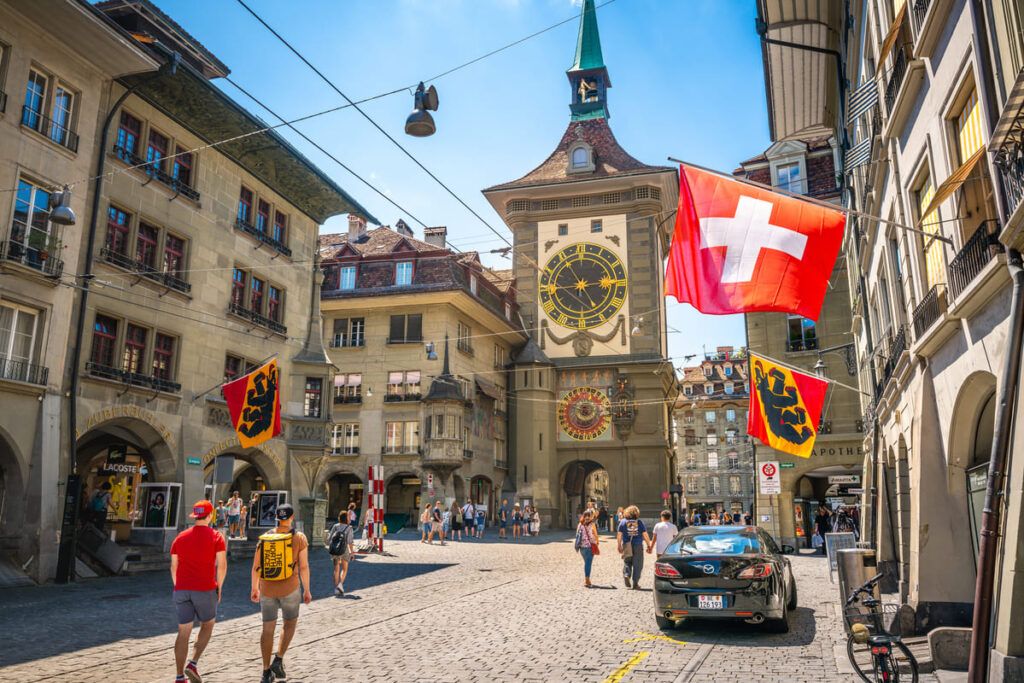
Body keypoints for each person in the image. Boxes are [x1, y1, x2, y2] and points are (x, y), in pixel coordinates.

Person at [251, 503, 310, 683]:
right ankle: (279, 657)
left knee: (267, 629)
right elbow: (304, 567)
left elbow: (256, 567)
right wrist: (307, 589)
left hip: (267, 588)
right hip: (290, 588)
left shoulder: (266, 537)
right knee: (289, 624)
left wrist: (255, 588)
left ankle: (266, 670)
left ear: (277, 517)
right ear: (291, 518)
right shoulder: (299, 537)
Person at [170, 500, 226, 683]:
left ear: (195, 516)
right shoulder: (216, 536)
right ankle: (192, 663)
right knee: (208, 624)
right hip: (204, 588)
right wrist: (219, 586)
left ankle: (179, 677)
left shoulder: (180, 537)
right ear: (210, 516)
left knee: (183, 631)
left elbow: (173, 566)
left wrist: (178, 585)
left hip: (182, 590)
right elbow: (222, 566)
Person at [617, 505, 653, 589]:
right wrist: (649, 545)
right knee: (638, 564)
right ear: (636, 513)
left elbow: (619, 534)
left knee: (627, 561)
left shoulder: (622, 522)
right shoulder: (639, 522)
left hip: (626, 544)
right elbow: (645, 534)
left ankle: (626, 574)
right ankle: (635, 583)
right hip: (638, 545)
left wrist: (619, 545)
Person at [325, 510, 354, 596]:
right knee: (344, 569)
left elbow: (329, 539)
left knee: (336, 569)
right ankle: (340, 586)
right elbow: (350, 542)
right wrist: (352, 552)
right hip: (344, 550)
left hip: (335, 550)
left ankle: (336, 587)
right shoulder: (349, 528)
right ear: (346, 519)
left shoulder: (335, 526)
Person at [575, 509, 599, 587]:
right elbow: (595, 535)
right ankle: (587, 580)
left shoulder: (580, 524)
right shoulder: (592, 524)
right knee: (588, 564)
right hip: (589, 547)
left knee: (586, 563)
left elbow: (577, 535)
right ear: (591, 517)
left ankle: (587, 579)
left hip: (581, 548)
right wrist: (597, 542)